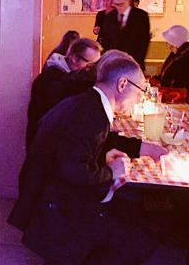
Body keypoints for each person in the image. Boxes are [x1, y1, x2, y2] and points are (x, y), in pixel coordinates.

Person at [9, 50, 167, 264]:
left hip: (50, 197)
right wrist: (112, 171)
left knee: (133, 207)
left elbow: (91, 143)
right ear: (122, 84)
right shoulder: (91, 115)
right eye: (140, 91)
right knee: (145, 235)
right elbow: (73, 171)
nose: (139, 99)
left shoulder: (88, 102)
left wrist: (138, 148)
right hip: (58, 211)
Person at [26, 38, 101, 148]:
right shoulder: (53, 80)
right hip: (45, 146)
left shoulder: (65, 76)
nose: (93, 71)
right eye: (90, 65)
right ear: (74, 58)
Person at [100, 0, 151, 70]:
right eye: (116, 4)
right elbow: (106, 40)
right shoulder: (110, 16)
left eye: (121, 4)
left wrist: (136, 62)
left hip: (134, 62)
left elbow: (143, 42)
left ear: (128, 1)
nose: (118, 7)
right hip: (114, 62)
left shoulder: (141, 16)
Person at [153, 25, 189, 90]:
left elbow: (181, 83)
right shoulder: (174, 55)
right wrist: (154, 79)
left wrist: (161, 83)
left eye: (168, 41)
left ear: (174, 42)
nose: (167, 43)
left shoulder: (185, 58)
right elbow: (165, 76)